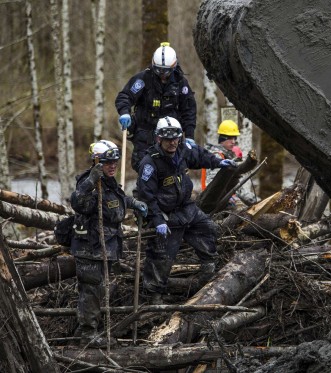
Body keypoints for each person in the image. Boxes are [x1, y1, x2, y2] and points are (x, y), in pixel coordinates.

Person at [137, 116, 236, 304]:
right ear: (159, 139)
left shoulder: (182, 149)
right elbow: (146, 195)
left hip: (186, 208)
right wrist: (157, 220)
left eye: (176, 138)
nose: (173, 142)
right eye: (168, 139)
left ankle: (208, 271)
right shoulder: (150, 163)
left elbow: (199, 155)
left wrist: (217, 162)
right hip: (167, 216)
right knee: (162, 258)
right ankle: (153, 297)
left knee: (209, 230)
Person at [70, 140, 148, 348]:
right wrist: (90, 182)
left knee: (97, 290)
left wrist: (134, 204)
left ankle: (82, 330)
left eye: (115, 161)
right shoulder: (89, 183)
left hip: (107, 247)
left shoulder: (110, 182)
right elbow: (77, 203)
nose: (112, 165)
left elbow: (118, 200)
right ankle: (88, 335)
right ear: (96, 162)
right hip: (91, 249)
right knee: (92, 291)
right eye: (107, 162)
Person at [115, 42, 197, 172]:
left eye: (166, 71)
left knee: (175, 174)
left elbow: (189, 110)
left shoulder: (181, 83)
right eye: (159, 70)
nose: (162, 75)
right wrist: (124, 112)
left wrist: (190, 136)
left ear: (174, 67)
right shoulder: (143, 79)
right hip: (145, 137)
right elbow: (125, 96)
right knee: (145, 171)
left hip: (171, 138)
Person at [201, 119, 257, 206]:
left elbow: (236, 185)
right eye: (230, 138)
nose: (233, 142)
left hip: (226, 197)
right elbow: (213, 185)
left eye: (235, 138)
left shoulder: (228, 155)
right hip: (213, 201)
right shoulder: (216, 156)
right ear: (222, 138)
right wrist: (228, 198)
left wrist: (254, 200)